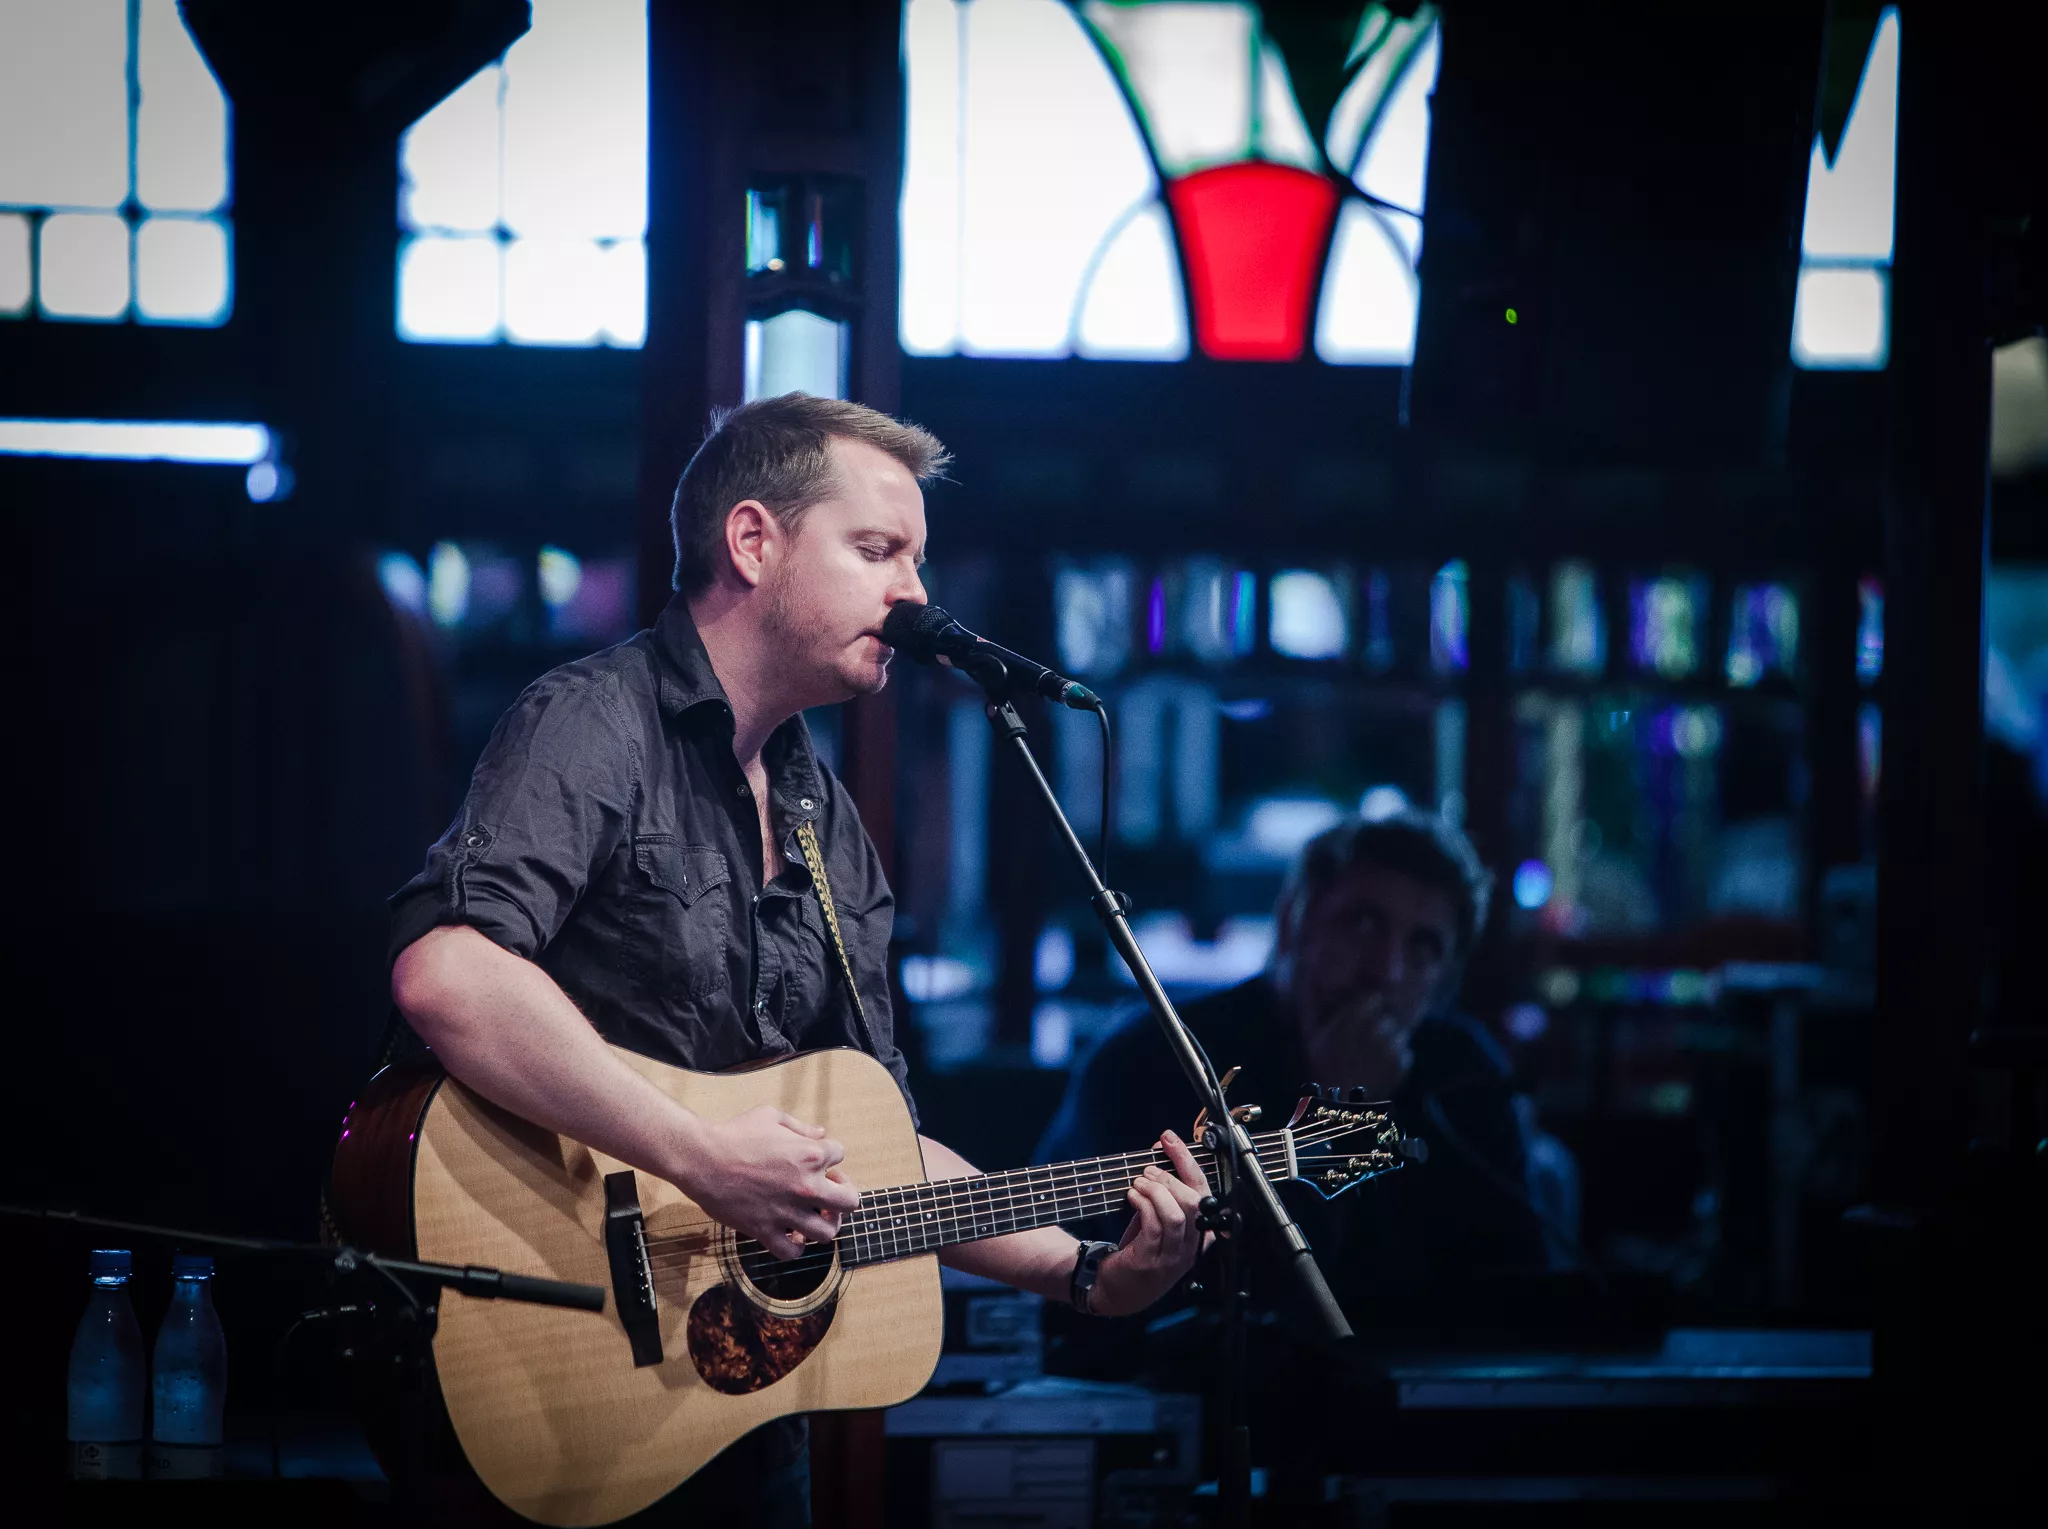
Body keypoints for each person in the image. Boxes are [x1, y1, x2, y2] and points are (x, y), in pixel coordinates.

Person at [385, 395, 1210, 1525]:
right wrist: (698, 1155)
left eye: (915, 557)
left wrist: (1084, 1272)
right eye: (877, 549)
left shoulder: (827, 819)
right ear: (752, 541)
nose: (914, 591)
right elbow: (448, 971)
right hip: (557, 1346)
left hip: (732, 1408)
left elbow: (878, 1154)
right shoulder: (594, 723)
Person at [1035, 810, 1554, 1334]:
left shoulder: (1463, 1070)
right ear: (1291, 924)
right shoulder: (1156, 1056)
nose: (1386, 970)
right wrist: (1338, 1115)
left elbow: (1521, 1294)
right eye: (1362, 924)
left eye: (1423, 947)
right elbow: (1179, 1305)